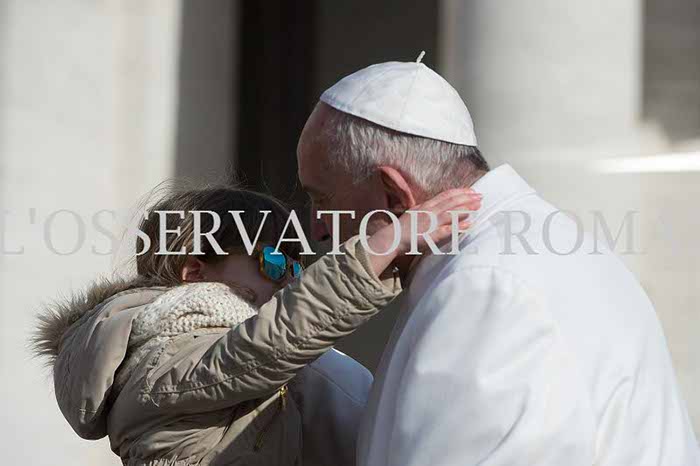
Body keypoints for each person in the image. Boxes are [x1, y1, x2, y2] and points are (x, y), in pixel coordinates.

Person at [297, 57, 700, 465]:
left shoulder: (484, 287)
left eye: (322, 200)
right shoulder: (535, 246)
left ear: (395, 195)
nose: (317, 229)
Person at [31, 184, 480, 466]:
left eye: (297, 266)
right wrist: (384, 249)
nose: (289, 278)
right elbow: (267, 344)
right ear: (195, 272)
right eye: (272, 260)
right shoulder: (162, 353)